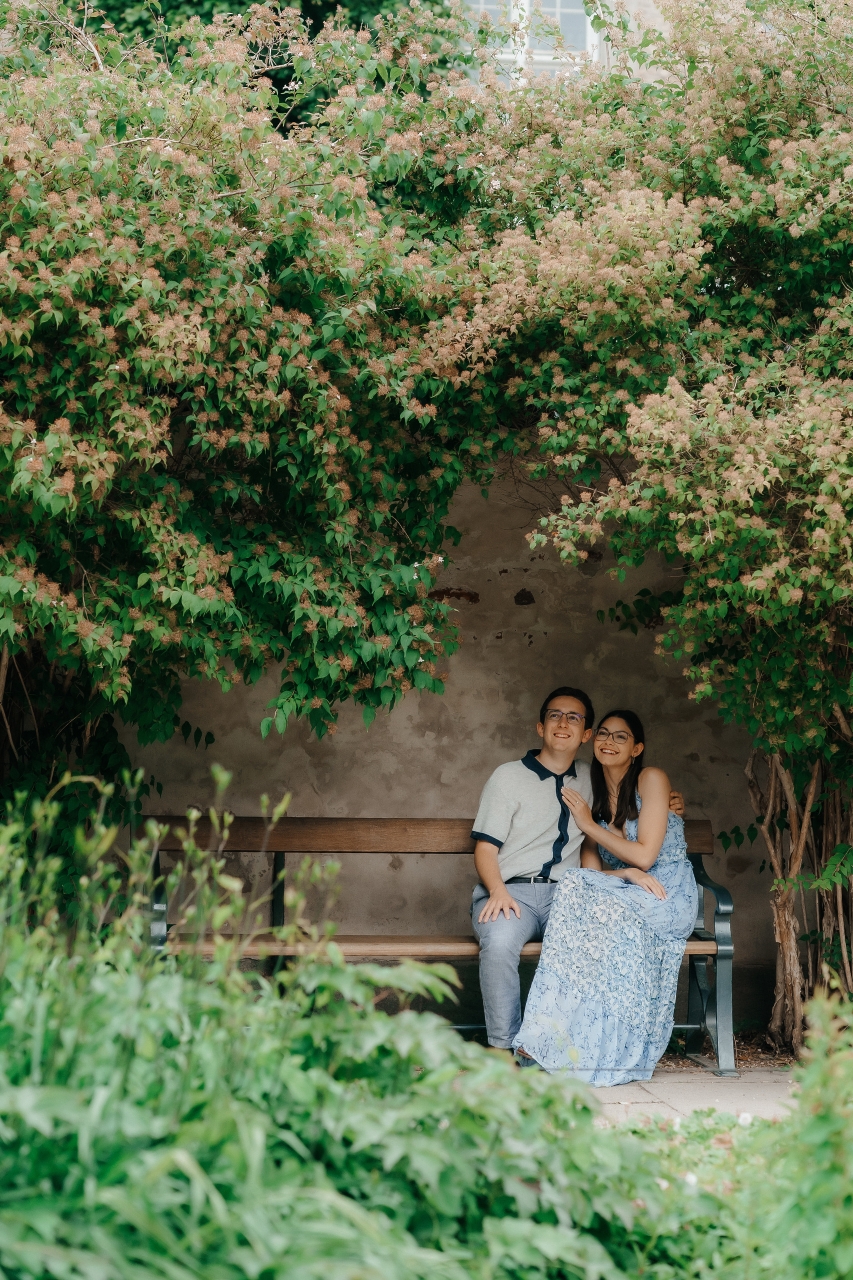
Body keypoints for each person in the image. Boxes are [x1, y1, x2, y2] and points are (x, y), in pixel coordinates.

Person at [470, 691, 684, 1054]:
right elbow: (485, 848)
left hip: (568, 893)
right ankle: (501, 1050)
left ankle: (560, 1047)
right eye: (555, 716)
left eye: (574, 718)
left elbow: (634, 800)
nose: (563, 723)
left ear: (586, 734)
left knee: (598, 939)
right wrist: (497, 890)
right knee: (500, 944)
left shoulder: (593, 777)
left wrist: (672, 802)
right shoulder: (507, 777)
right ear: (541, 727)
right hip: (511, 891)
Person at [511, 709, 698, 1084]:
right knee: (576, 887)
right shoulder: (592, 798)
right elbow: (592, 874)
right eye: (605, 735)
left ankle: (603, 1048)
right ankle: (544, 1040)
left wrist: (587, 826)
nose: (609, 742)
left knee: (603, 914)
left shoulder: (651, 778)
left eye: (621, 737)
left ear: (637, 748)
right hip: (624, 891)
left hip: (666, 894)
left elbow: (646, 856)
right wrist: (624, 871)